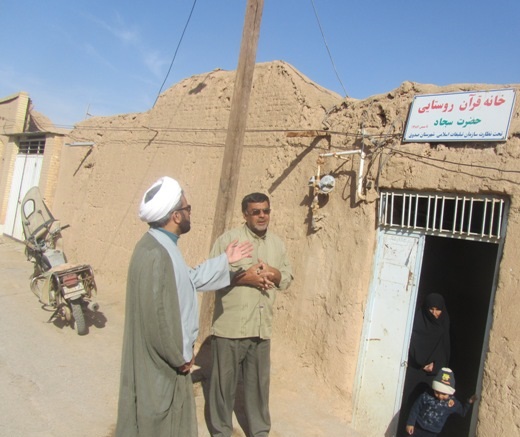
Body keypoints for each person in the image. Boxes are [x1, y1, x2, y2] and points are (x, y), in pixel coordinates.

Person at [115, 176, 253, 437]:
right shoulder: (156, 253)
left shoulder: (162, 246)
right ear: (176, 216)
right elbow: (158, 319)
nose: (190, 213)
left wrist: (224, 260)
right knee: (160, 425)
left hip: (166, 360)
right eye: (187, 208)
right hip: (162, 365)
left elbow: (188, 279)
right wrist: (179, 357)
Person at [208, 192, 293, 437]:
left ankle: (260, 432)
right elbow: (211, 276)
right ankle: (221, 432)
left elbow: (287, 278)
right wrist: (247, 278)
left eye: (266, 211)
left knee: (258, 387)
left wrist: (274, 273)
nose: (262, 216)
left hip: (260, 328)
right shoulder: (229, 240)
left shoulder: (277, 244)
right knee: (223, 387)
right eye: (256, 212)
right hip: (230, 328)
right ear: (245, 214)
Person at [399, 293, 451, 435]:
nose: (434, 313)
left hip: (432, 377)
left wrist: (436, 366)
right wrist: (420, 363)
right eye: (431, 309)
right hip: (415, 373)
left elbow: (446, 351)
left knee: (427, 413)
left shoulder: (444, 324)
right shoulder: (417, 322)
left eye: (438, 309)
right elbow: (409, 345)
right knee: (409, 407)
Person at [406, 367, 477, 436]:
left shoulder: (452, 403)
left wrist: (469, 402)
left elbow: (462, 412)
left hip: (432, 433)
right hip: (417, 427)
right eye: (437, 392)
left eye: (444, 394)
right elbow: (415, 408)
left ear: (450, 393)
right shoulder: (427, 395)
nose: (440, 396)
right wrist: (410, 423)